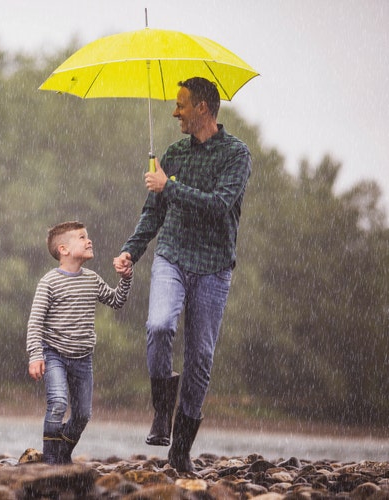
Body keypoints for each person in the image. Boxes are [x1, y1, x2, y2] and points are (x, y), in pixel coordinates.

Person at [113, 77, 252, 473]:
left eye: (181, 105)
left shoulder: (236, 155)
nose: (175, 112)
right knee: (158, 326)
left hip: (214, 267)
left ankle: (180, 452)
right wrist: (131, 251)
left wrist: (169, 185)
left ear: (203, 108)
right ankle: (161, 412)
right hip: (171, 257)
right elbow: (153, 212)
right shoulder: (173, 152)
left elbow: (219, 205)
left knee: (200, 359)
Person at [27, 221, 132, 464]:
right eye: (82, 237)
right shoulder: (49, 282)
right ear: (63, 249)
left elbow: (116, 300)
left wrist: (126, 278)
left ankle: (62, 455)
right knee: (58, 403)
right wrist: (35, 355)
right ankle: (51, 462)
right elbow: (35, 322)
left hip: (83, 358)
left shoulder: (92, 279)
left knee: (83, 414)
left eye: (88, 236)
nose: (89, 241)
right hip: (53, 353)